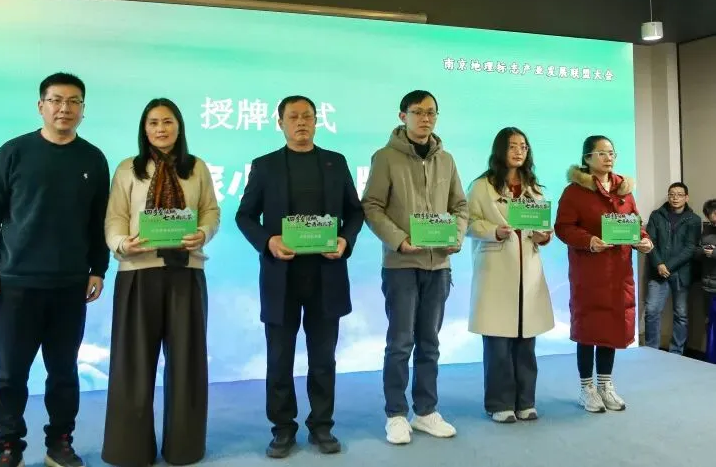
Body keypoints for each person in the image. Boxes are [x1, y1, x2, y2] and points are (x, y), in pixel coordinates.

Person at [0, 72, 110, 467]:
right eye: (56, 100)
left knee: (64, 372)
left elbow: (99, 221)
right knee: (10, 374)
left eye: (73, 102)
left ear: (83, 109)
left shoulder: (93, 159)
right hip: (17, 281)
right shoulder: (14, 152)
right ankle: (9, 446)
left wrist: (98, 268)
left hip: (70, 283)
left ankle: (60, 443)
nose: (64, 108)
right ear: (41, 106)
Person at [235, 95, 364, 459]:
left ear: (317, 121)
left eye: (307, 116)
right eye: (293, 117)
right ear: (280, 123)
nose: (301, 122)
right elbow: (245, 216)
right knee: (279, 358)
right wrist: (268, 241)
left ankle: (321, 426)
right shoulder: (265, 166)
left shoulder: (335, 162)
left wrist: (345, 240)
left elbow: (355, 212)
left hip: (326, 275)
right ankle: (282, 428)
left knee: (323, 358)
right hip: (282, 277)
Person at [101, 98, 220, 467]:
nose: (161, 129)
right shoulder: (128, 168)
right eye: (153, 123)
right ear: (144, 129)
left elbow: (210, 210)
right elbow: (115, 217)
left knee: (187, 363)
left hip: (186, 270)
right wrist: (122, 243)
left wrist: (203, 233)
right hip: (137, 271)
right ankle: (130, 450)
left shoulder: (196, 167)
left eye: (167, 122)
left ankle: (184, 448)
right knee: (132, 366)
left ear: (179, 126)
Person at [361, 90, 468, 445]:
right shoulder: (385, 158)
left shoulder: (446, 160)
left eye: (431, 112)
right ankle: (395, 414)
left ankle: (425, 411)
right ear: (402, 116)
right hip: (402, 264)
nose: (425, 118)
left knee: (430, 343)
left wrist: (456, 236)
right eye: (418, 112)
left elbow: (460, 206)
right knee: (400, 342)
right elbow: (371, 206)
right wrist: (399, 240)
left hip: (439, 265)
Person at [554, 135, 652, 414]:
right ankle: (586, 388)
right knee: (588, 329)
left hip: (619, 272)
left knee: (611, 327)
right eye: (602, 153)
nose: (609, 158)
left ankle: (605, 385)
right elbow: (563, 227)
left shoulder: (624, 190)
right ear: (587, 158)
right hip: (589, 272)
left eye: (612, 153)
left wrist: (644, 239)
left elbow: (634, 223)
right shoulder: (575, 192)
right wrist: (589, 241)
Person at [466, 128, 554, 423]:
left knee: (526, 339)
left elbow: (543, 227)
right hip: (496, 269)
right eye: (513, 146)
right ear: (500, 150)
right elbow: (467, 223)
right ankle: (499, 403)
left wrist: (544, 235)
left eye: (523, 146)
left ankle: (525, 401)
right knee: (498, 342)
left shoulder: (533, 188)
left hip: (527, 271)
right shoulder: (481, 187)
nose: (519, 151)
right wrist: (493, 231)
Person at [643, 182, 701, 354]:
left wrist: (667, 266)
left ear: (686, 198)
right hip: (657, 272)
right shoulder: (656, 215)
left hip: (682, 273)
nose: (675, 198)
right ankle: (651, 351)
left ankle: (676, 352)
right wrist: (659, 264)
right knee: (652, 311)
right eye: (671, 194)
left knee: (681, 315)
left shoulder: (694, 219)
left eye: (679, 195)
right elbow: (649, 241)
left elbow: (690, 248)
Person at [695, 199, 716, 364]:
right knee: (710, 322)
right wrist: (703, 251)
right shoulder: (706, 230)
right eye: (711, 214)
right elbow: (695, 251)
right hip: (708, 285)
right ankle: (711, 359)